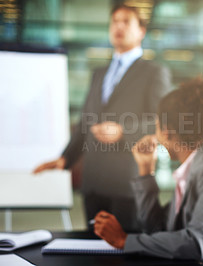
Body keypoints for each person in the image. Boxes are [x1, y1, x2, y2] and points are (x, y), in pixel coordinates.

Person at [33, 4, 171, 231]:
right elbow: (86, 121)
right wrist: (66, 159)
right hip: (93, 182)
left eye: (126, 22)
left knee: (124, 252)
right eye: (115, 22)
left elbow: (163, 122)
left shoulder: (154, 72)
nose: (119, 26)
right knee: (92, 251)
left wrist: (123, 131)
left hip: (127, 182)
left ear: (141, 31)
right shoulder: (99, 73)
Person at [93, 78, 203, 265]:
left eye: (156, 127)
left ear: (166, 132)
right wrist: (145, 171)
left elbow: (197, 244)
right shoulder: (193, 167)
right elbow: (158, 230)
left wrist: (124, 240)